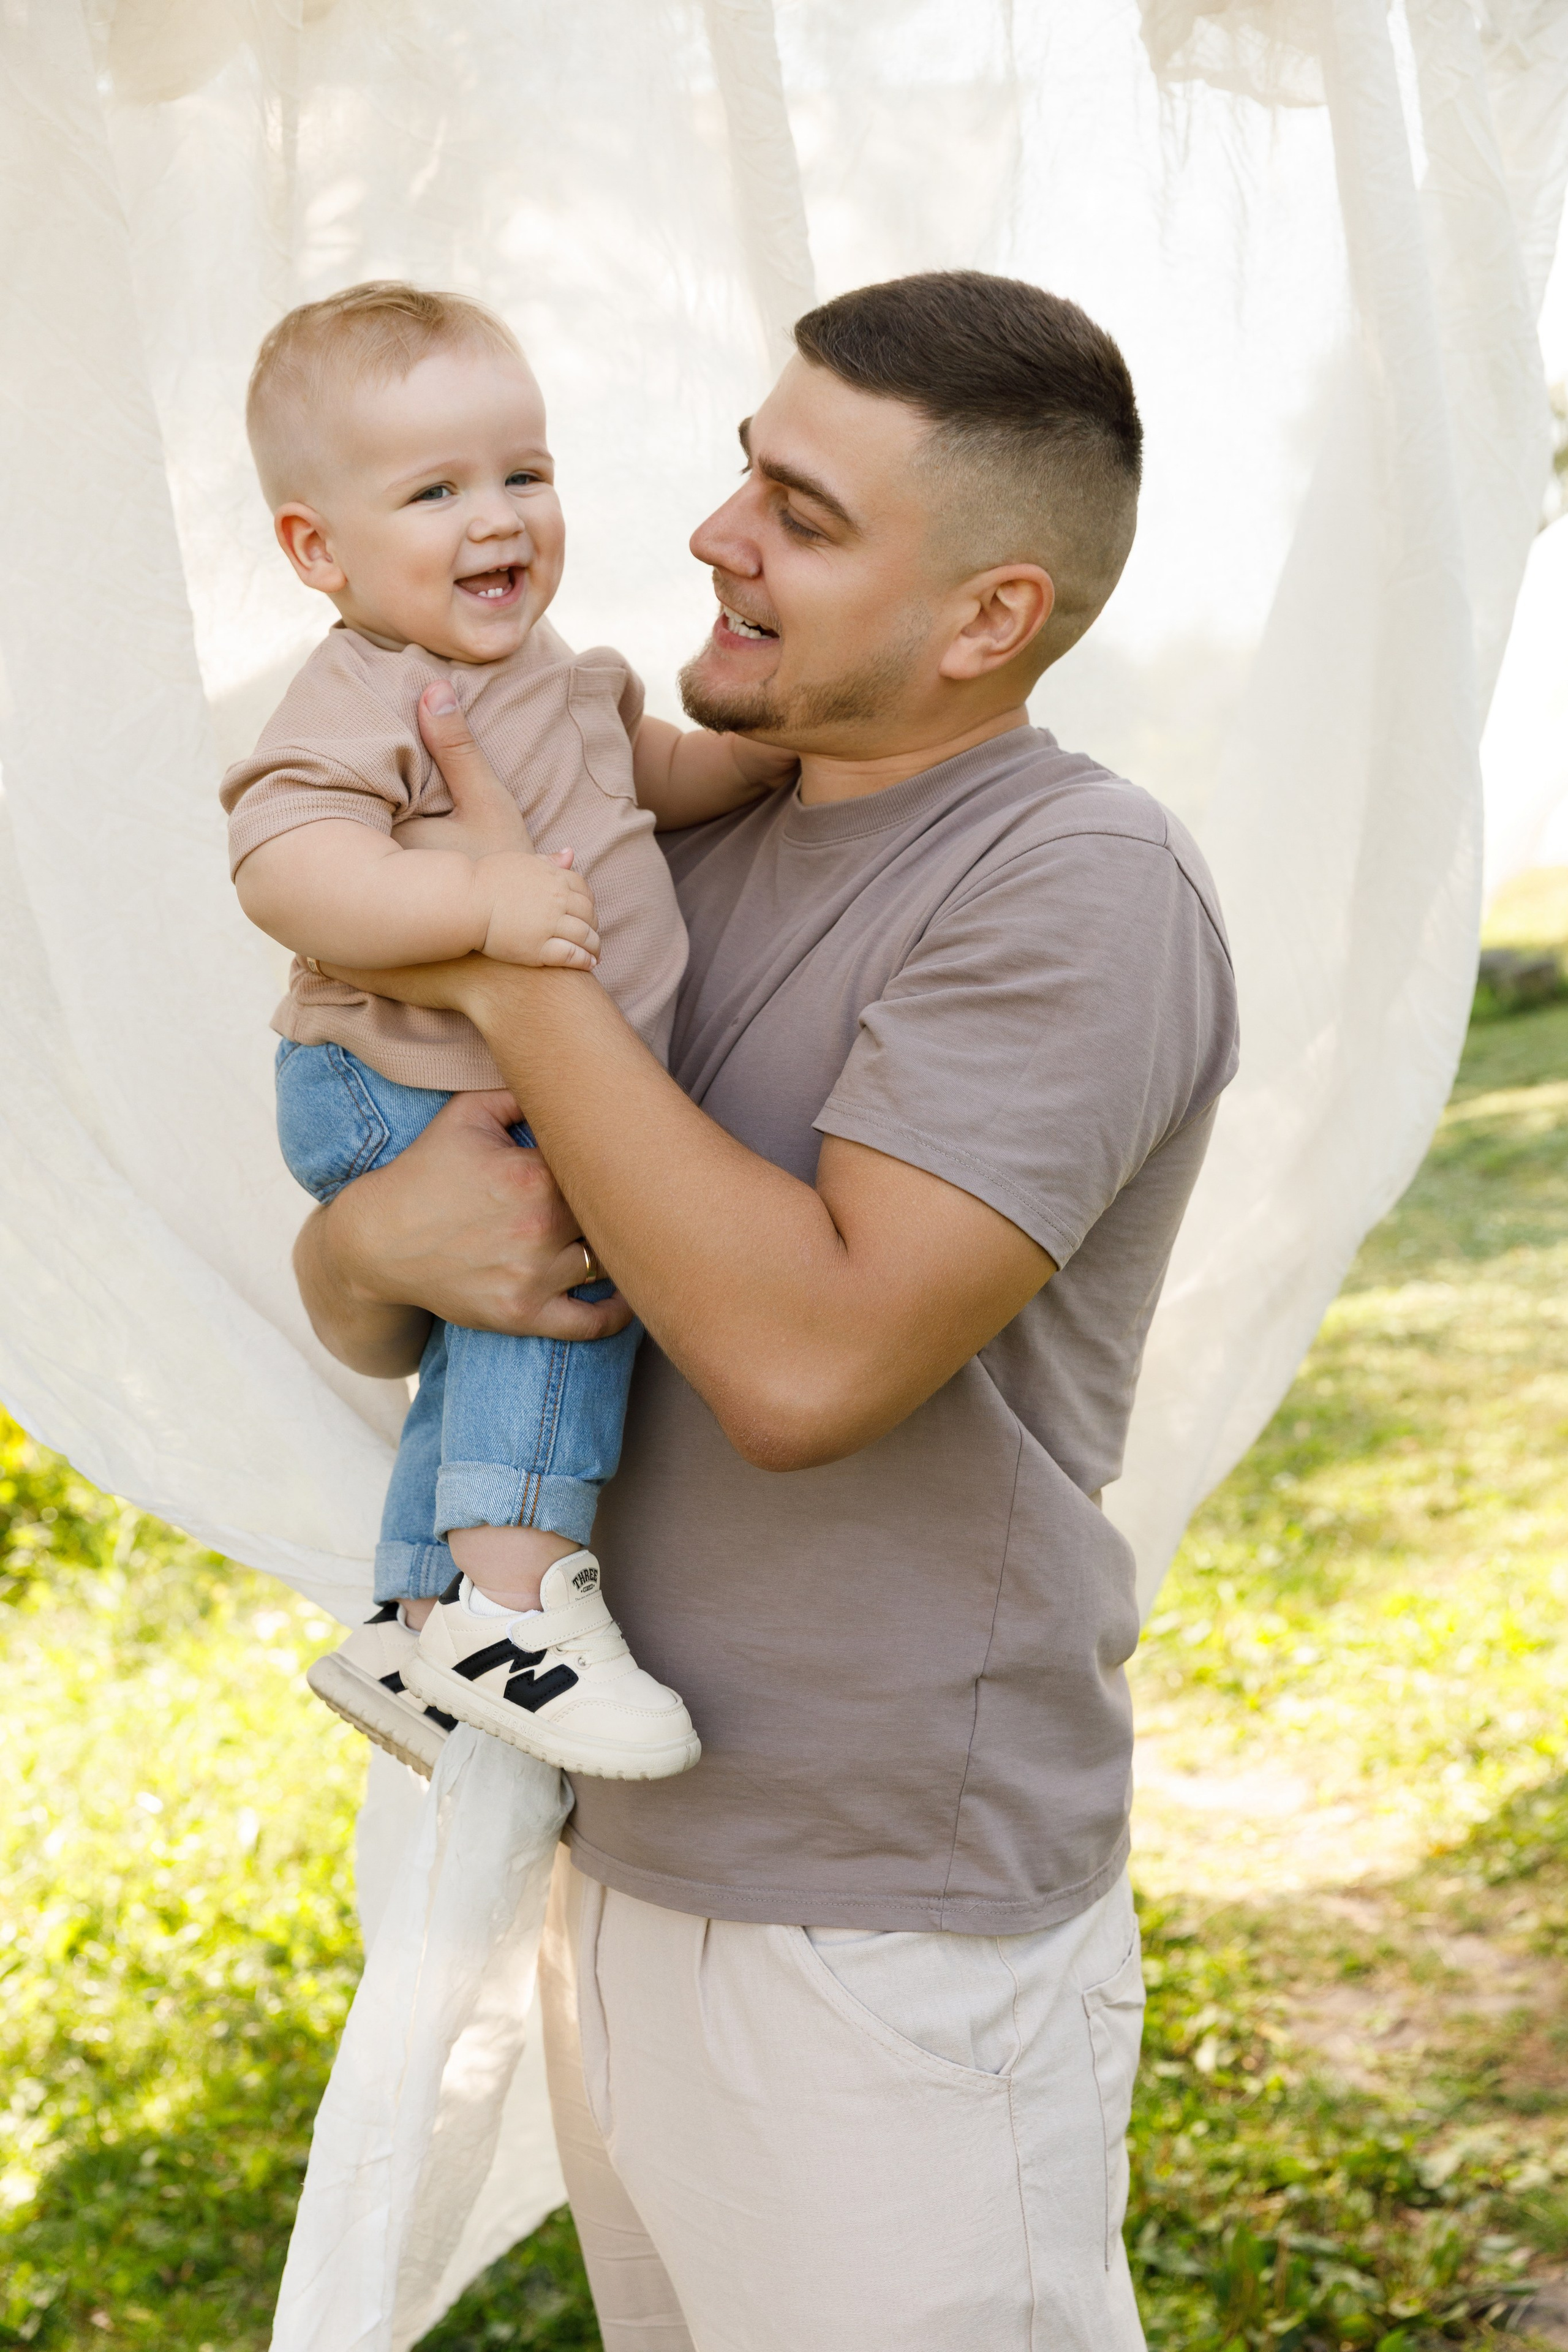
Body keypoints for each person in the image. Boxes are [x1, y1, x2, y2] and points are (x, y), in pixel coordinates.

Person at [294, 270, 1240, 2350]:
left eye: (802, 514)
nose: (717, 533)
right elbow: (407, 1300)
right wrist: (379, 1251)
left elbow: (810, 1365)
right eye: (745, 469)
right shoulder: (661, 851)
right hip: (615, 1851)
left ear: (988, 615)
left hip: (886, 1917)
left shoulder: (1073, 884)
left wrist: (508, 944)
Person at [222, 281, 795, 1784]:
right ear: (316, 548)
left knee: (498, 1307)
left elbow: (645, 774)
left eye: (522, 474)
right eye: (434, 491)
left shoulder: (546, 676)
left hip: (460, 1071)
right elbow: (284, 863)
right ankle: (514, 1603)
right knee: (564, 1267)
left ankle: (412, 1627)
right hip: (394, 1074)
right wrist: (472, 902)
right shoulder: (370, 693)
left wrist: (758, 755)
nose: (498, 518)